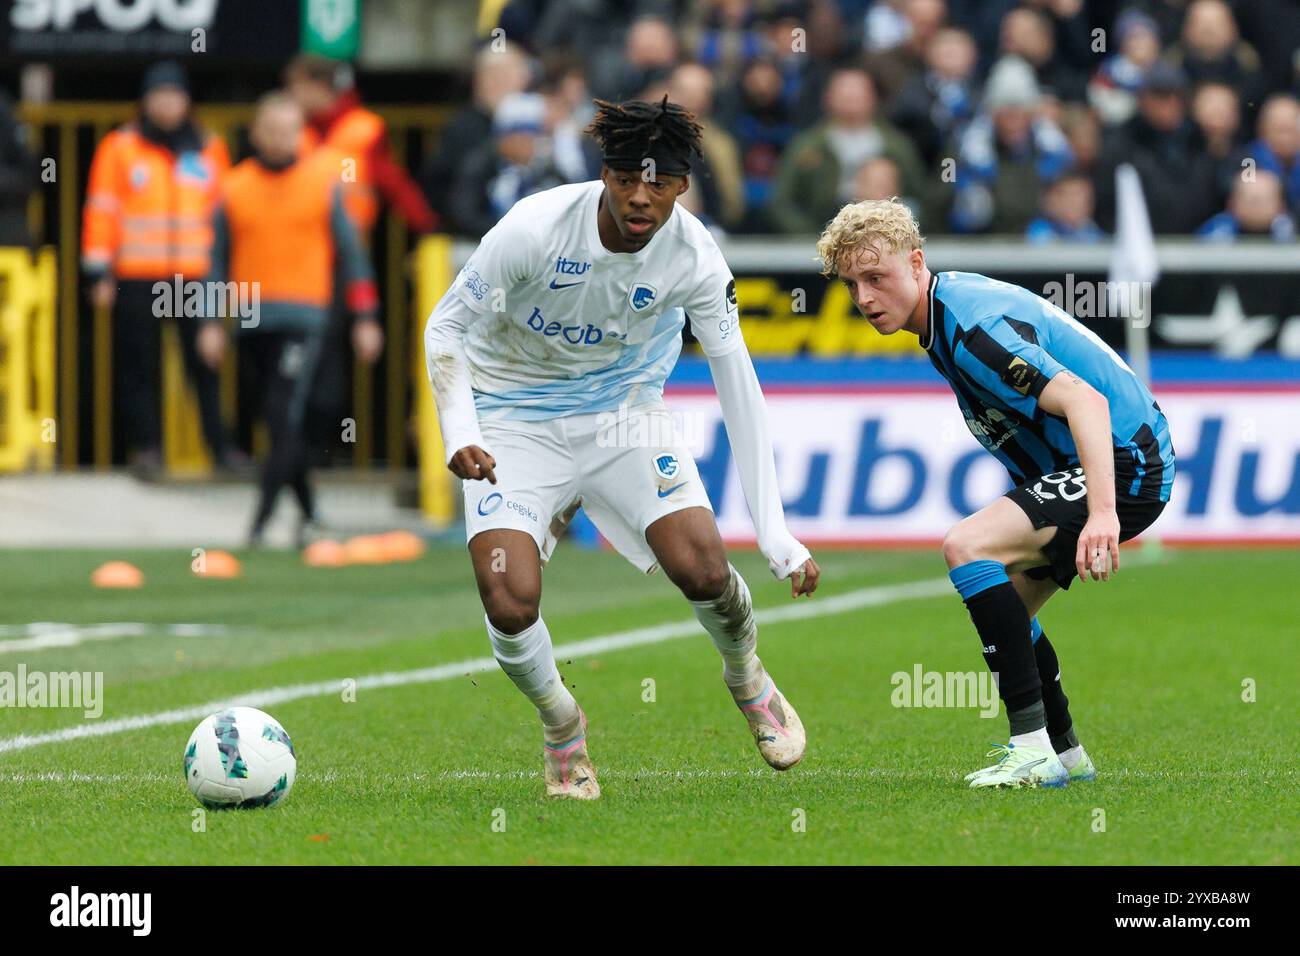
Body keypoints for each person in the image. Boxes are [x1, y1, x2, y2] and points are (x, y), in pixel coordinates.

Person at [424, 97, 820, 800]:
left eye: (659, 183)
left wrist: (776, 531)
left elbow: (739, 385)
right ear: (603, 173)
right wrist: (461, 430)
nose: (640, 197)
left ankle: (747, 677)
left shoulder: (695, 254)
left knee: (702, 568)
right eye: (625, 179)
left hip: (623, 417)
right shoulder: (533, 228)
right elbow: (444, 328)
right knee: (508, 599)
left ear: (682, 186)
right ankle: (562, 723)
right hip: (513, 421)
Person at [817, 199, 1175, 788]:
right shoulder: (946, 315)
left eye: (876, 277)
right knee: (1009, 605)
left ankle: (1029, 746)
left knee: (967, 546)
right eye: (852, 284)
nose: (864, 298)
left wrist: (1104, 513)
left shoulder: (971, 328)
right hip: (1104, 461)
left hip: (1126, 463)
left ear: (916, 262)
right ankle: (1063, 755)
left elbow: (1087, 402)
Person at [198, 92, 380, 547]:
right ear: (256, 133)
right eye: (272, 130)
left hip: (304, 318)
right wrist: (209, 322)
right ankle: (312, 514)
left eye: (289, 130)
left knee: (283, 414)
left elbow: (352, 254)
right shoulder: (234, 187)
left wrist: (365, 316)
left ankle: (259, 523)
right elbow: (215, 261)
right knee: (278, 422)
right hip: (252, 320)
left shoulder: (323, 182)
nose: (280, 139)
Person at [81, 61, 235, 475]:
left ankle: (220, 450)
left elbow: (224, 218)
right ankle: (148, 449)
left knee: (206, 363)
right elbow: (102, 211)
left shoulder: (209, 148)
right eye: (159, 95)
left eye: (174, 95)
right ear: (145, 101)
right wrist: (99, 272)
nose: (167, 104)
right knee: (138, 366)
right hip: (136, 274)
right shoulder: (120, 147)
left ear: (187, 101)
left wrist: (228, 276)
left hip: (197, 274)